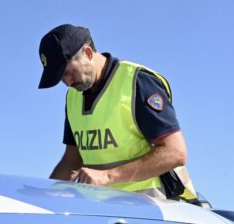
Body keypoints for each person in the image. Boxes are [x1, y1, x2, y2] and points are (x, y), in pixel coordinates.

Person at [37, 24, 197, 201]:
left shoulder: (138, 82)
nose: (67, 82)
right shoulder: (73, 97)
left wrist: (107, 176)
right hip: (100, 206)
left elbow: (175, 152)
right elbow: (72, 158)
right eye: (61, 78)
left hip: (148, 203)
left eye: (68, 72)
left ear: (88, 53)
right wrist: (44, 197)